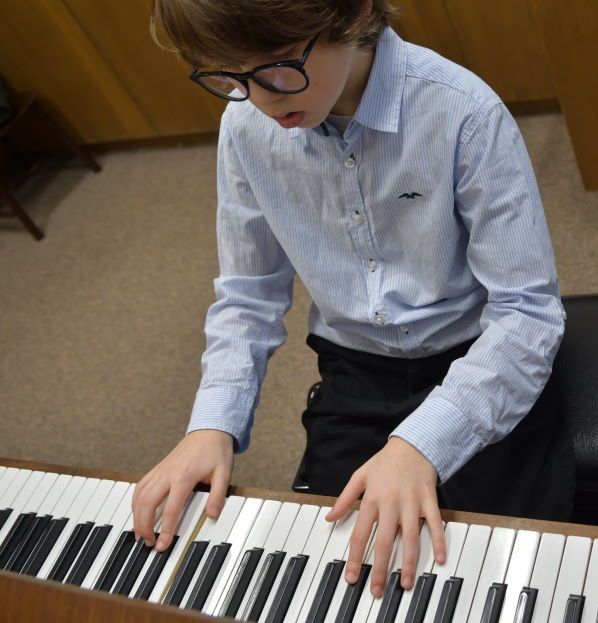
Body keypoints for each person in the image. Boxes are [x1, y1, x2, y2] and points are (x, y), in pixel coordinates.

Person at [132, 0, 574, 599]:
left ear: (353, 13)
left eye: (276, 68)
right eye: (231, 77)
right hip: (355, 371)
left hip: (479, 359)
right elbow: (248, 294)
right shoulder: (245, 126)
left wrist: (423, 440)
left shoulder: (462, 109)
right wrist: (212, 423)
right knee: (336, 573)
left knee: (503, 575)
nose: (262, 99)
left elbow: (527, 314)